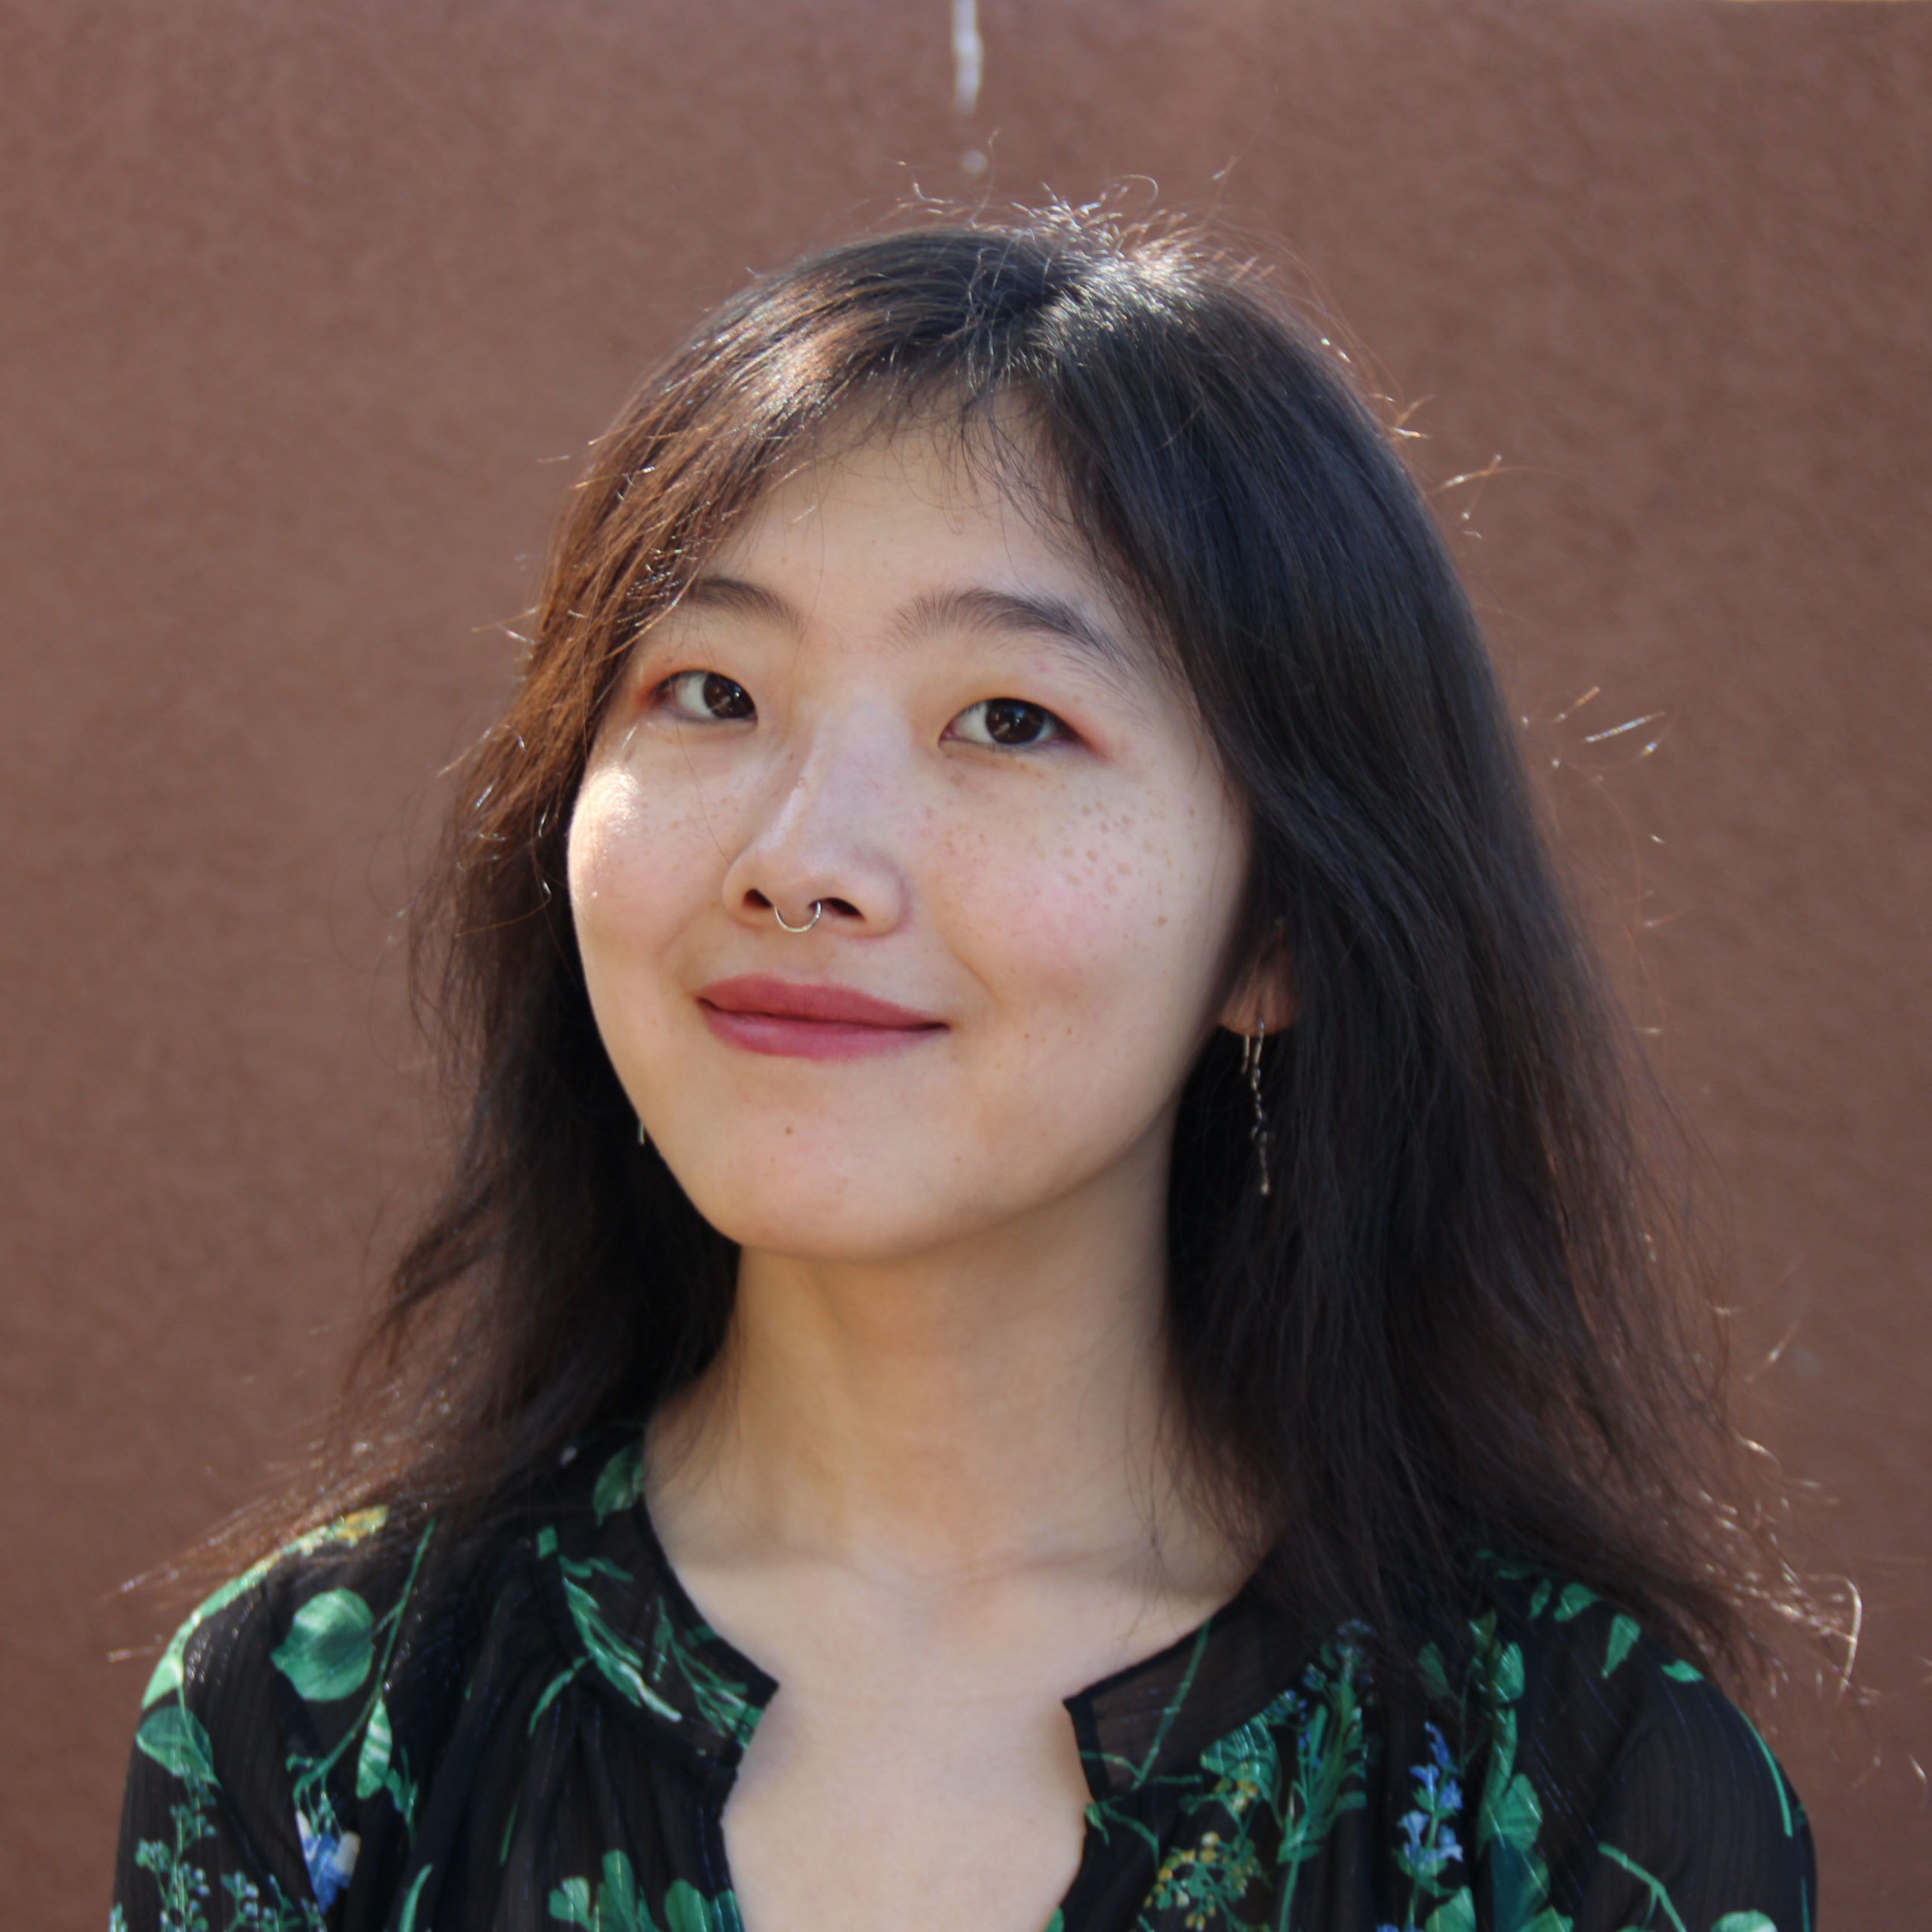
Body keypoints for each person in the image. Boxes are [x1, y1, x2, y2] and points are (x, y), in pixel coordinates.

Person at [112, 211, 1821, 1932]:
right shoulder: (317, 1730)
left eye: (1008, 718)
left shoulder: (1578, 1793)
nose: (802, 860)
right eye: (709, 690)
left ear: (1277, 929)